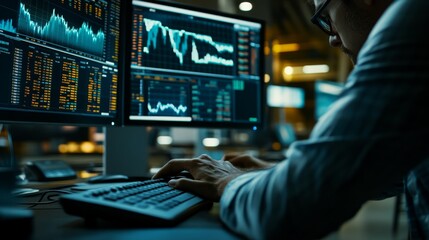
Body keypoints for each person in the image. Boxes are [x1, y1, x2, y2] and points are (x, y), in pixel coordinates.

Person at [153, 0, 429, 238]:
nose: (332, 37)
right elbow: (382, 170)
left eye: (325, 16)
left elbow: (288, 210)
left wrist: (227, 183)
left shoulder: (414, 22)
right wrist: (281, 173)